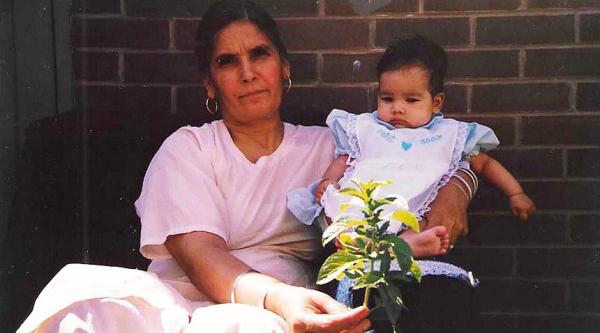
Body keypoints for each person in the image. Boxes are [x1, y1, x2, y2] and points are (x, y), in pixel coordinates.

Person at [17, 2, 475, 333]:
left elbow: (427, 152)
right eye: (227, 62)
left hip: (262, 317)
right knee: (86, 301)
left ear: (284, 68)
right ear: (210, 85)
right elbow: (203, 259)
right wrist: (283, 299)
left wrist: (459, 185)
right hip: (181, 304)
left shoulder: (332, 150)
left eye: (260, 54)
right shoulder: (189, 149)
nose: (248, 72)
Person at [288, 35, 535, 260]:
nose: (397, 108)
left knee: (414, 221)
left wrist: (515, 192)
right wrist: (328, 181)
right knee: (335, 221)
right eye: (387, 98)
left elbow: (485, 163)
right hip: (366, 198)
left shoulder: (448, 134)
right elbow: (345, 158)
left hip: (413, 196)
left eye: (411, 100)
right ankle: (383, 245)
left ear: (436, 102)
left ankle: (407, 243)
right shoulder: (368, 127)